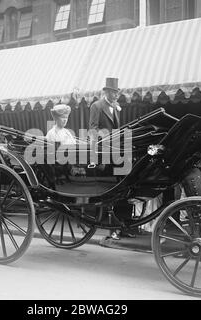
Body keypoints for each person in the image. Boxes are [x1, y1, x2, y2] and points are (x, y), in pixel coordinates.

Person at [89, 78, 133, 240]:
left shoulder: (115, 107)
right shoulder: (97, 106)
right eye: (113, 92)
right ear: (106, 92)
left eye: (117, 92)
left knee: (124, 187)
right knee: (110, 190)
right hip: (103, 152)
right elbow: (93, 129)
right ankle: (111, 229)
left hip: (116, 151)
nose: (116, 95)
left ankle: (124, 225)